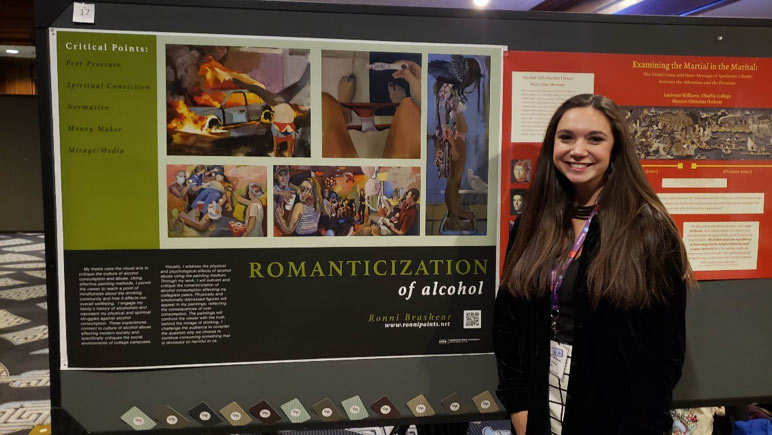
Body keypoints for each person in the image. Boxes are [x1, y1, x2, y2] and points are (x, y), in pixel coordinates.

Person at [494, 94, 694, 435]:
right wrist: (519, 405)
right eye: (566, 137)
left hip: (616, 419)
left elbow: (665, 352)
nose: (577, 150)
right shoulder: (533, 222)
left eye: (595, 139)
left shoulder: (648, 230)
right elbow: (508, 319)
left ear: (615, 149)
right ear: (552, 145)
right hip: (543, 408)